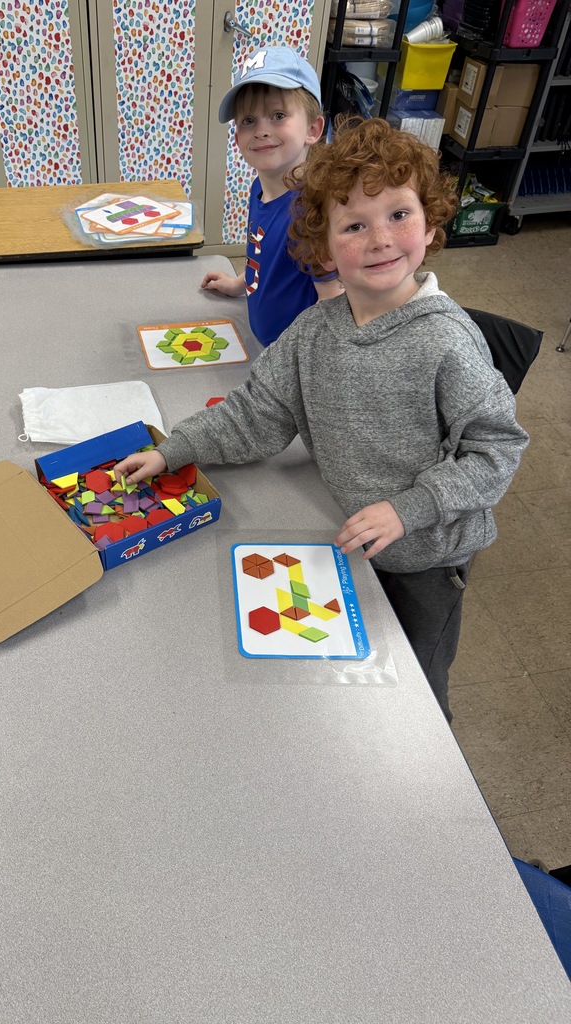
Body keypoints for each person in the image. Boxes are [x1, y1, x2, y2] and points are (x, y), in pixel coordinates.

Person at [115, 117, 529, 721]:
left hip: (426, 559)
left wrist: (408, 509)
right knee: (343, 686)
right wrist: (177, 448)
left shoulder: (445, 341)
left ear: (432, 223)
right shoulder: (314, 332)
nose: (380, 239)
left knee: (413, 691)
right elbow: (258, 413)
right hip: (343, 541)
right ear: (324, 247)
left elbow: (496, 452)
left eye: (398, 215)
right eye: (354, 225)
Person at [200, 45, 343, 347]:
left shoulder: (310, 212)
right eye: (248, 121)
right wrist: (238, 284)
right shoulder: (259, 189)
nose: (262, 130)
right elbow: (261, 253)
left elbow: (332, 305)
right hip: (262, 345)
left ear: (313, 129)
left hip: (292, 363)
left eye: (278, 115)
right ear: (237, 135)